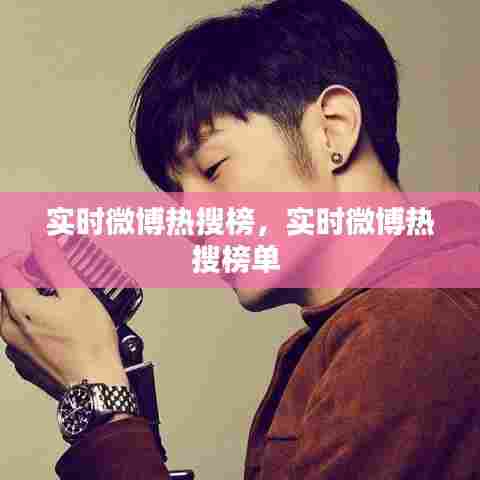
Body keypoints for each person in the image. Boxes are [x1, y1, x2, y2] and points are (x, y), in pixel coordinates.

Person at [1, 0, 480, 478]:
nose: (191, 222)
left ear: (332, 129)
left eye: (213, 168)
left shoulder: (411, 324)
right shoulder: (368, 330)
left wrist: (99, 397)